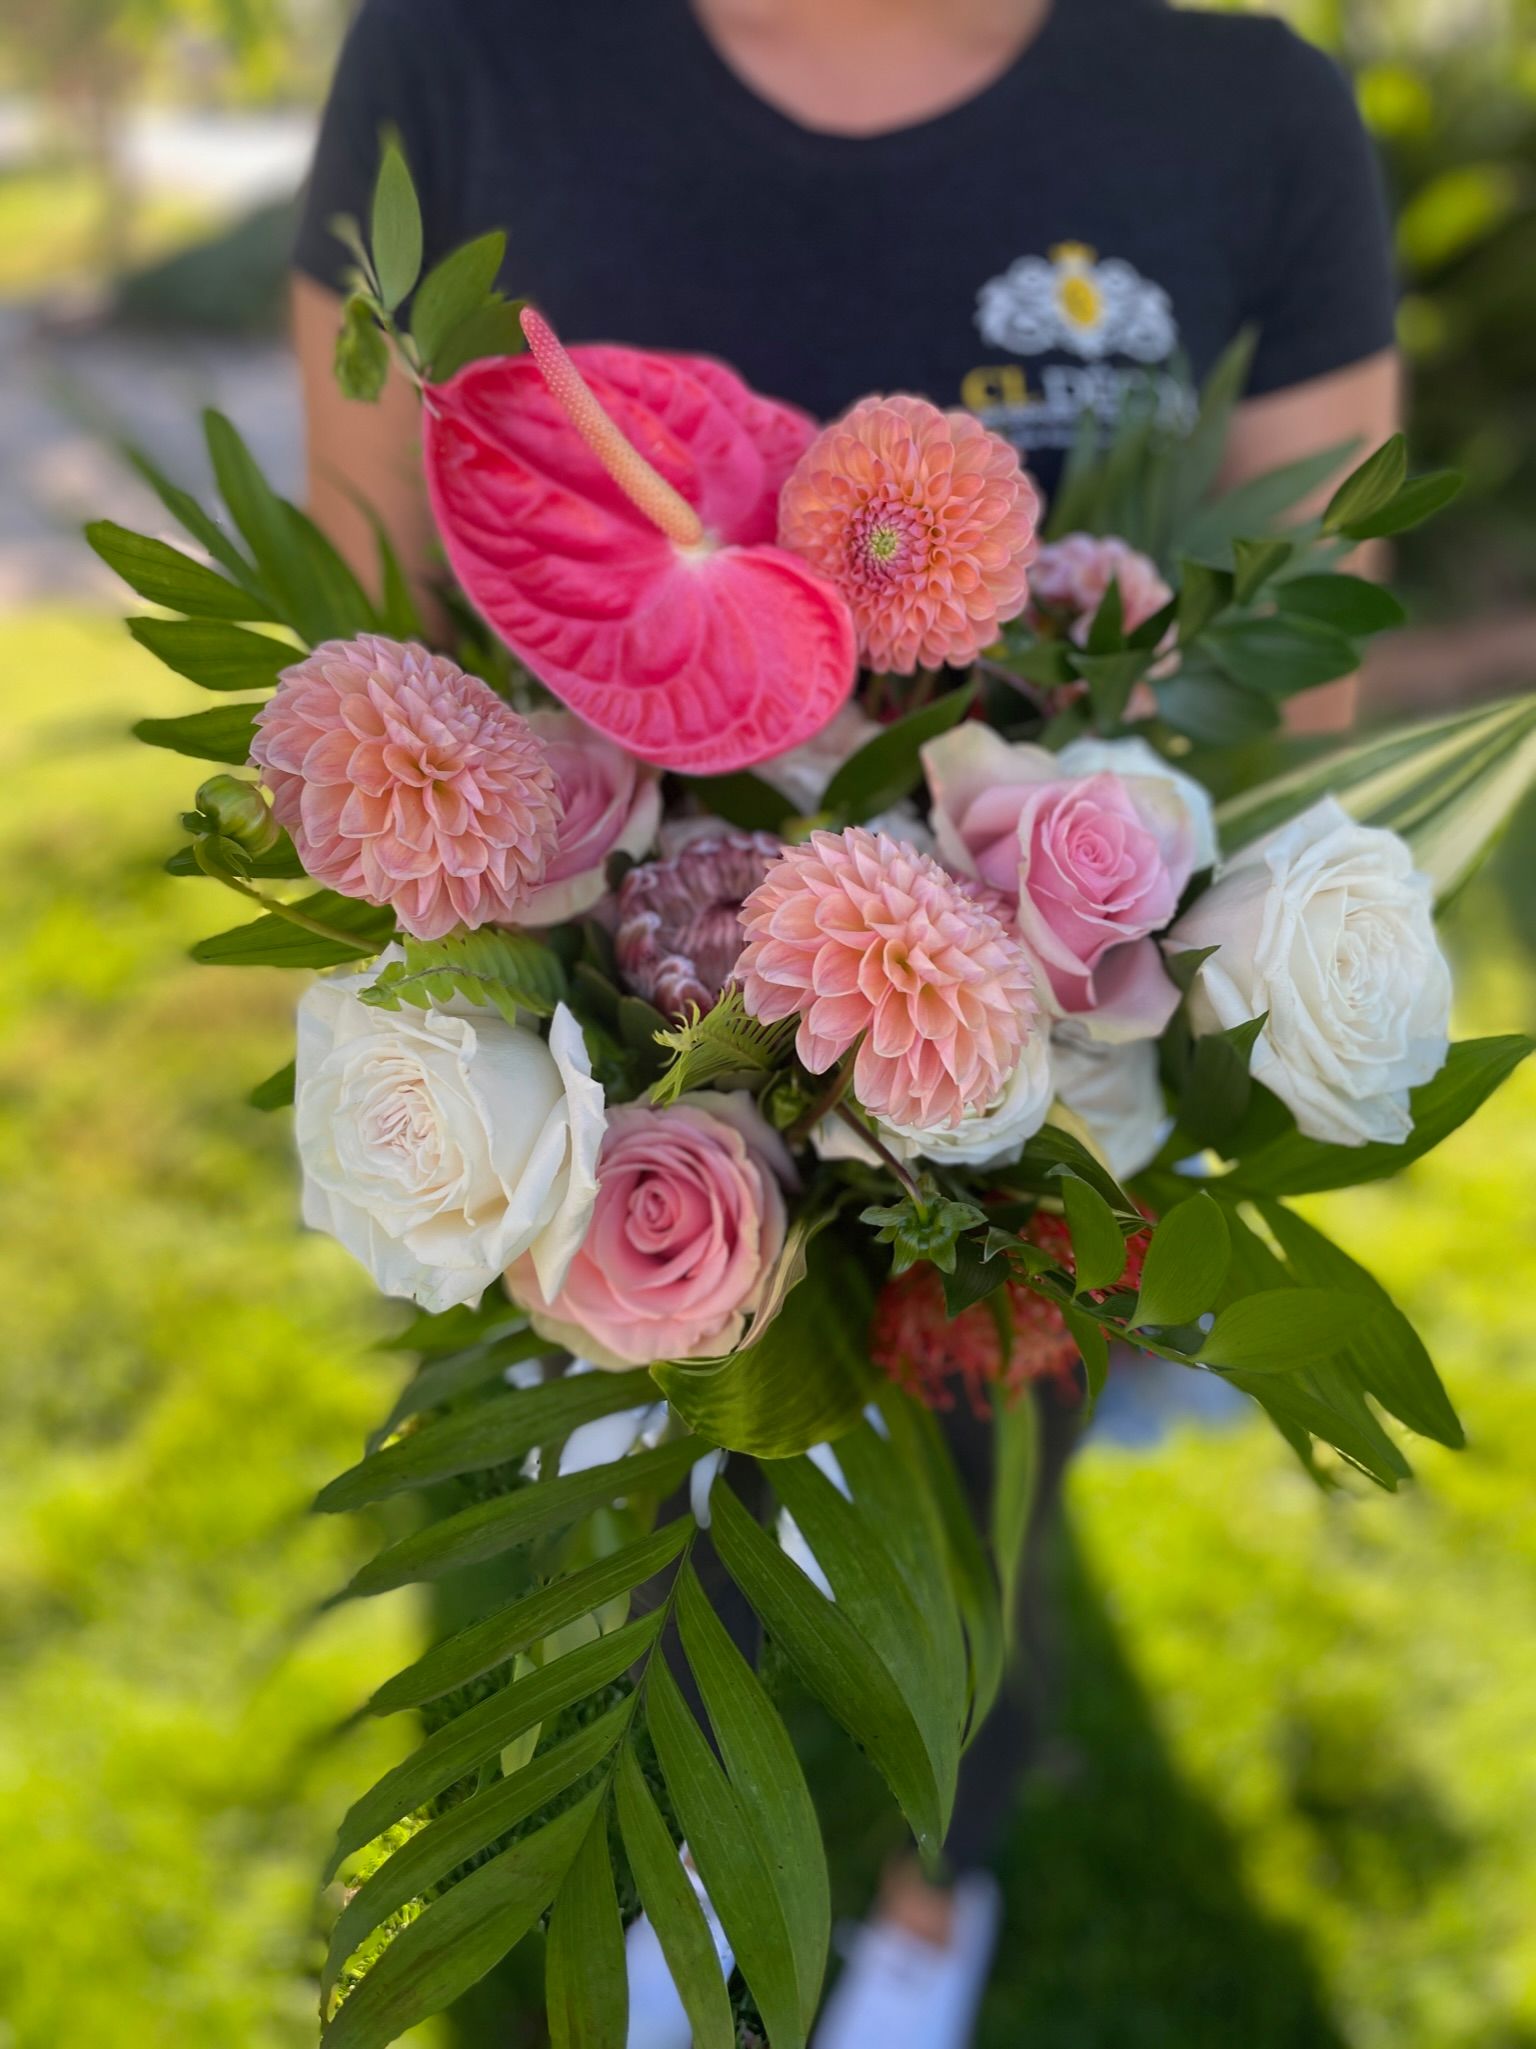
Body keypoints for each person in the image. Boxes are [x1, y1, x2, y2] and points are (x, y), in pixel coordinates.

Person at [291, 3, 1400, 2040]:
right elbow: (371, 608)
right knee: (627, 1492)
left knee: (975, 1527)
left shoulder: (1248, 109)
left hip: (1032, 1075)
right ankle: (640, 1848)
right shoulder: (469, 51)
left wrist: (1031, 975)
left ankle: (919, 1881)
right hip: (628, 1029)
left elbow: (1294, 662)